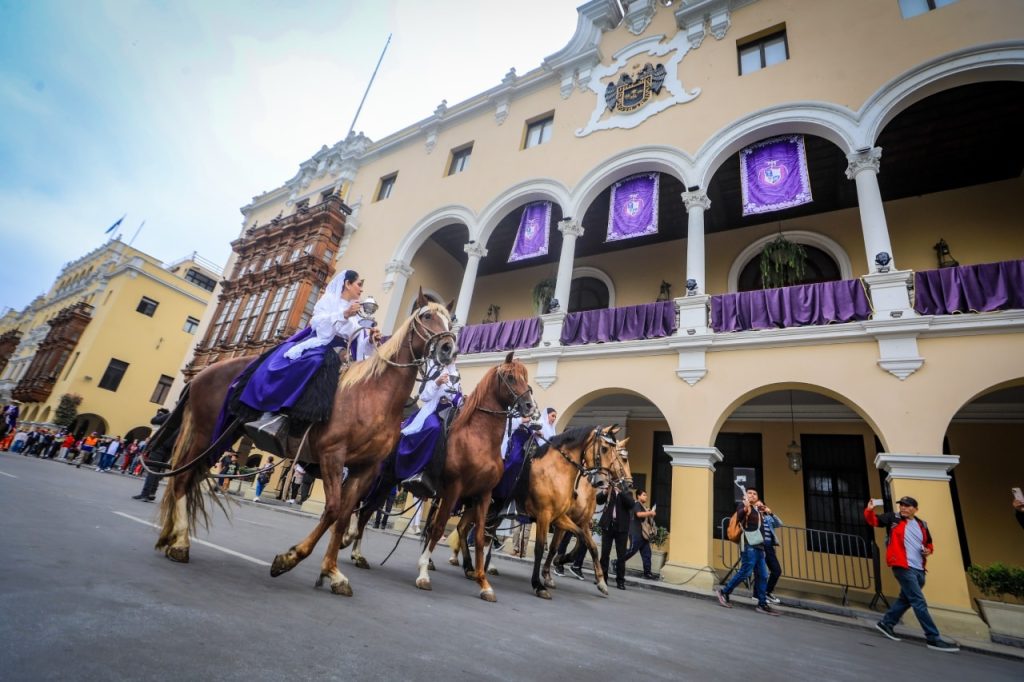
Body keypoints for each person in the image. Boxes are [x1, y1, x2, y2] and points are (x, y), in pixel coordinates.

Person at [238, 270, 378, 456]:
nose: (361, 289)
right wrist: (343, 314)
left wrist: (370, 339)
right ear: (347, 284)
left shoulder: (358, 311)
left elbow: (359, 339)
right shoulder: (328, 300)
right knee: (314, 362)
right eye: (359, 284)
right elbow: (318, 325)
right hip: (323, 343)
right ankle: (278, 415)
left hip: (347, 352)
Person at [866, 497, 959, 652]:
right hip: (902, 565)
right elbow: (874, 521)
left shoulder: (922, 524)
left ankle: (886, 623)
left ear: (915, 509)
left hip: (919, 568)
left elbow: (929, 543)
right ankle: (933, 637)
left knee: (906, 599)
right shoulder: (893, 518)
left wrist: (928, 550)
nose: (903, 508)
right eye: (901, 505)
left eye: (907, 506)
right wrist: (870, 510)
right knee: (918, 601)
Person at [717, 488, 779, 615]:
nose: (752, 495)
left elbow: (777, 524)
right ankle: (724, 592)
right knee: (746, 571)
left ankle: (762, 604)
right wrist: (745, 507)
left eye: (754, 494)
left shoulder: (760, 510)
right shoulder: (744, 506)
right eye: (749, 493)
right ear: (746, 496)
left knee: (763, 575)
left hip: (760, 547)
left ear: (757, 498)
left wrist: (768, 512)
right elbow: (739, 517)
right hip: (749, 545)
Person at [598, 481, 636, 590]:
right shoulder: (609, 492)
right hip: (608, 526)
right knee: (605, 554)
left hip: (621, 528)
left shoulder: (627, 493)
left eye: (617, 483)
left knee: (621, 556)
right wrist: (604, 492)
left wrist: (620, 492)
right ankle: (603, 579)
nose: (615, 485)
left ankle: (620, 581)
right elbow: (598, 500)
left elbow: (631, 504)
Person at [132, 407, 172, 502]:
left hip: (160, 445)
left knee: (152, 470)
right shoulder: (187, 417)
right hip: (170, 448)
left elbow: (154, 420)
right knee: (158, 471)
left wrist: (160, 414)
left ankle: (145, 494)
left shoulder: (173, 414)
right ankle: (152, 493)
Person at [619, 488, 657, 579]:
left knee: (647, 553)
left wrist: (648, 512)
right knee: (631, 551)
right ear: (638, 496)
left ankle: (647, 573)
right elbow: (638, 514)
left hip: (643, 534)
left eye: (646, 495)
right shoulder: (636, 504)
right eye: (644, 495)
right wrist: (650, 512)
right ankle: (617, 562)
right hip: (636, 532)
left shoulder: (643, 506)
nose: (646, 497)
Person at [756, 495, 783, 604]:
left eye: (761, 506)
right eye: (757, 506)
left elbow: (779, 524)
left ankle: (767, 592)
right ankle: (758, 595)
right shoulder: (754, 517)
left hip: (769, 547)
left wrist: (770, 513)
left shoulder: (767, 518)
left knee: (776, 571)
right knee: (760, 572)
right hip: (759, 547)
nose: (760, 507)